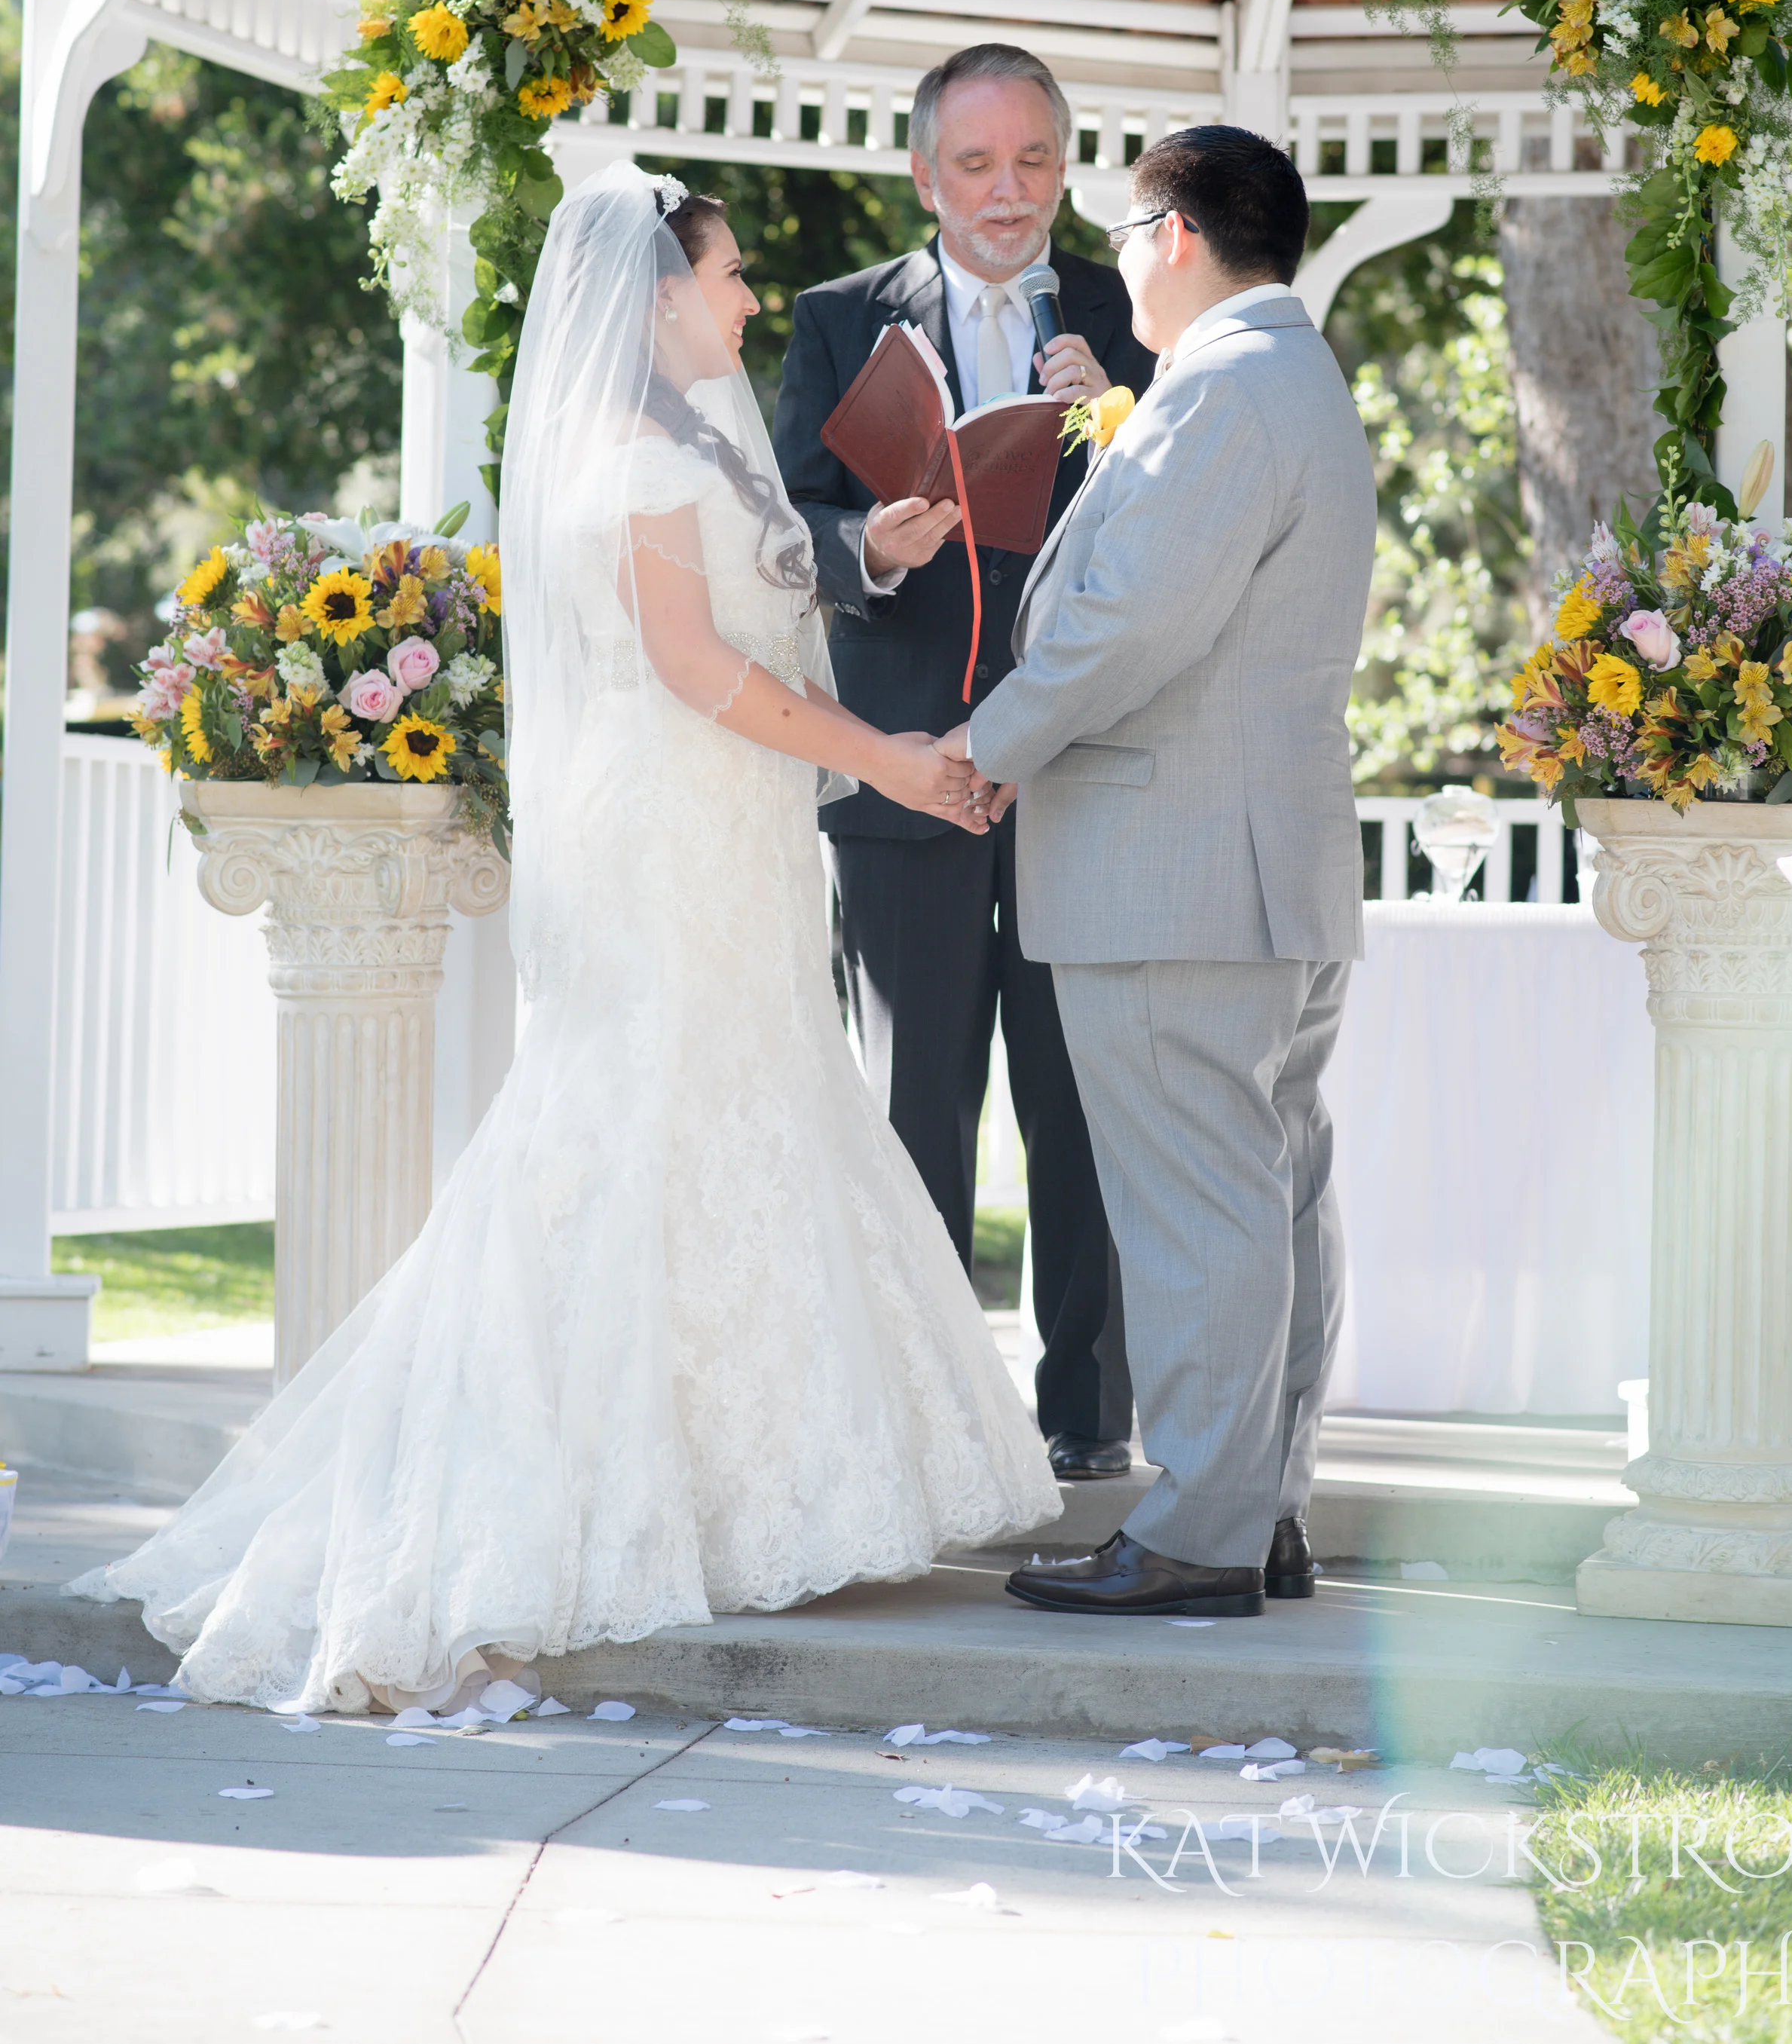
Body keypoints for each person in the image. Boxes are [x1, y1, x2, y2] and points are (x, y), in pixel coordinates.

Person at [71, 165, 1059, 1712]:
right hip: (667, 834)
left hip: (727, 833)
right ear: (657, 293)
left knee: (739, 1110)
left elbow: (767, 602)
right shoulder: (634, 464)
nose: (743, 300)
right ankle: (572, 1491)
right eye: (726, 275)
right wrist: (883, 761)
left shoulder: (688, 444)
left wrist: (878, 552)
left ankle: (749, 1484)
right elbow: (692, 667)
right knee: (636, 1120)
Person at [950, 124, 1375, 1618]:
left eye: (1124, 227)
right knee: (1263, 1201)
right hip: (1260, 866)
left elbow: (1127, 623)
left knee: (1199, 1211)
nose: (1113, 254)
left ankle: (1198, 1529)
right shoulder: (1284, 381)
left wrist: (983, 746)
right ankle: (1255, 1509)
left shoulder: (1224, 393)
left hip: (1172, 864)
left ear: (1177, 234)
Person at [773, 42, 1154, 1483]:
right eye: (978, 164)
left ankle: (1088, 1423)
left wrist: (1118, 407)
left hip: (1080, 775)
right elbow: (778, 526)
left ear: (1068, 167)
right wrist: (868, 546)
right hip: (905, 771)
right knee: (914, 1106)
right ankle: (924, 1420)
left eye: (1035, 162)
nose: (1008, 193)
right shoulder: (836, 320)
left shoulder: (1136, 318)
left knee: (1083, 1108)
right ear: (925, 173)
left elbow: (1190, 536)